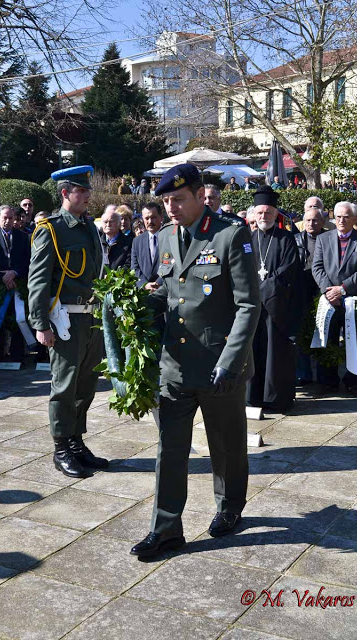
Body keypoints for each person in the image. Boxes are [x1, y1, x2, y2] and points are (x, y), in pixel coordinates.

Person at [130, 163, 260, 559]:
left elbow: (248, 305)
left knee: (226, 446)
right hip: (176, 365)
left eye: (179, 199)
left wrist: (231, 361)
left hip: (219, 365)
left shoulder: (229, 235)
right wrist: (132, 305)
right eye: (166, 200)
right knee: (169, 450)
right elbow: (170, 296)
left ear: (201, 195)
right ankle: (166, 529)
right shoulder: (167, 236)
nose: (171, 207)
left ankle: (229, 506)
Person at [27, 165, 108, 478]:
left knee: (86, 384)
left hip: (91, 319)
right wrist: (40, 324)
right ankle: (61, 447)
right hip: (65, 322)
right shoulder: (51, 229)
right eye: (82, 190)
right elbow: (38, 282)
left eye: (88, 190)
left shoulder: (88, 226)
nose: (88, 195)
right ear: (65, 193)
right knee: (64, 386)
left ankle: (76, 442)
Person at [246, 186, 300, 413]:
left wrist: (263, 291)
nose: (263, 217)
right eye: (259, 213)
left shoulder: (286, 238)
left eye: (267, 213)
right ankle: (253, 398)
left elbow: (288, 271)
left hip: (276, 308)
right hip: (253, 308)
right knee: (253, 353)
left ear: (275, 214)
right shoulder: (247, 240)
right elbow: (240, 271)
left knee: (274, 354)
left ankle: (275, 399)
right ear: (254, 215)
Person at [312, 201, 357, 393]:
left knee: (355, 341)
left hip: (355, 298)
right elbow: (317, 267)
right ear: (333, 218)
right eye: (338, 217)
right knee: (327, 338)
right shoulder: (323, 239)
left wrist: (343, 289)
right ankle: (327, 381)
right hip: (330, 299)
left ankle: (353, 381)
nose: (342, 220)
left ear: (354, 219)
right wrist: (329, 291)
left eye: (346, 217)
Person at [0, 205, 31, 362]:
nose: (7, 221)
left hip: (17, 285)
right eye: (4, 217)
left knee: (18, 320)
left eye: (10, 218)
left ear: (15, 219)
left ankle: (17, 355)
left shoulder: (23, 237)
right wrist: (3, 277)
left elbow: (27, 261)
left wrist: (14, 274)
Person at [294, 209, 326, 384]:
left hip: (323, 291)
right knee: (303, 336)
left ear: (322, 222)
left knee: (323, 334)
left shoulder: (330, 238)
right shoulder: (296, 239)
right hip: (302, 292)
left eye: (315, 220)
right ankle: (304, 374)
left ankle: (323, 377)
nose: (311, 224)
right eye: (308, 220)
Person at [131, 202, 163, 291]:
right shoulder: (137, 241)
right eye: (147, 218)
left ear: (161, 217)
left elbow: (173, 264)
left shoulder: (170, 237)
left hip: (165, 291)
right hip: (145, 292)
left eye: (153, 217)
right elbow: (135, 268)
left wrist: (158, 284)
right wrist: (144, 284)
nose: (150, 221)